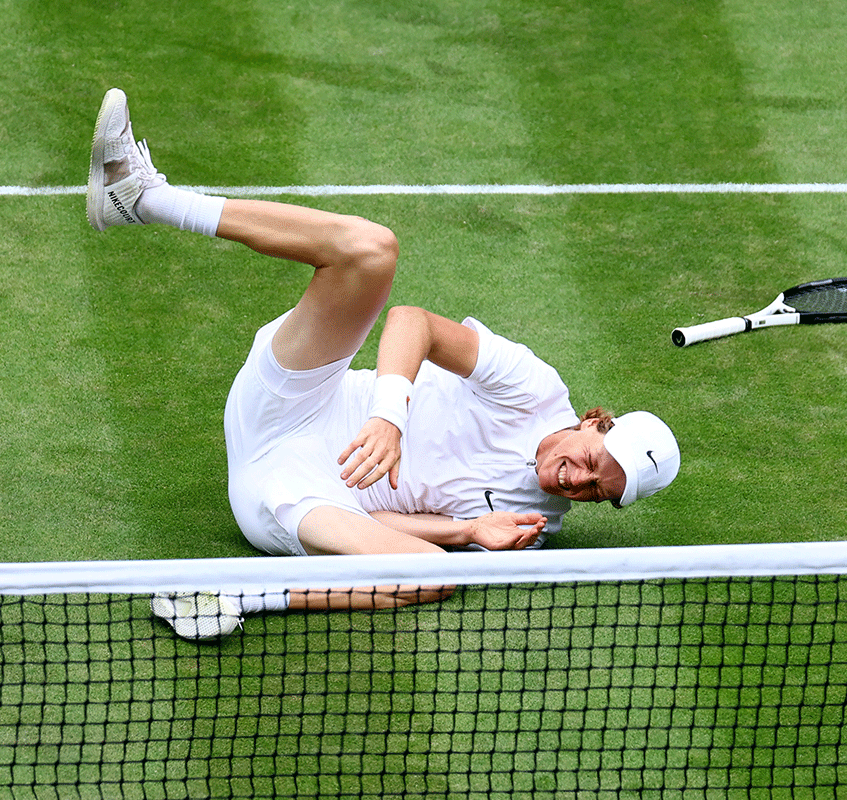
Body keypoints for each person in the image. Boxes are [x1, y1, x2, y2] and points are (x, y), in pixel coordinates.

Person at [86, 88, 680, 639]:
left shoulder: (535, 525)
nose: (578, 483)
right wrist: (388, 417)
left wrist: (466, 533)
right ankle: (143, 198)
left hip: (296, 495)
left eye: (599, 493)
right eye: (594, 464)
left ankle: (244, 598)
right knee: (372, 249)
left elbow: (387, 537)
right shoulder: (533, 388)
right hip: (294, 401)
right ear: (596, 422)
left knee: (435, 575)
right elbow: (411, 321)